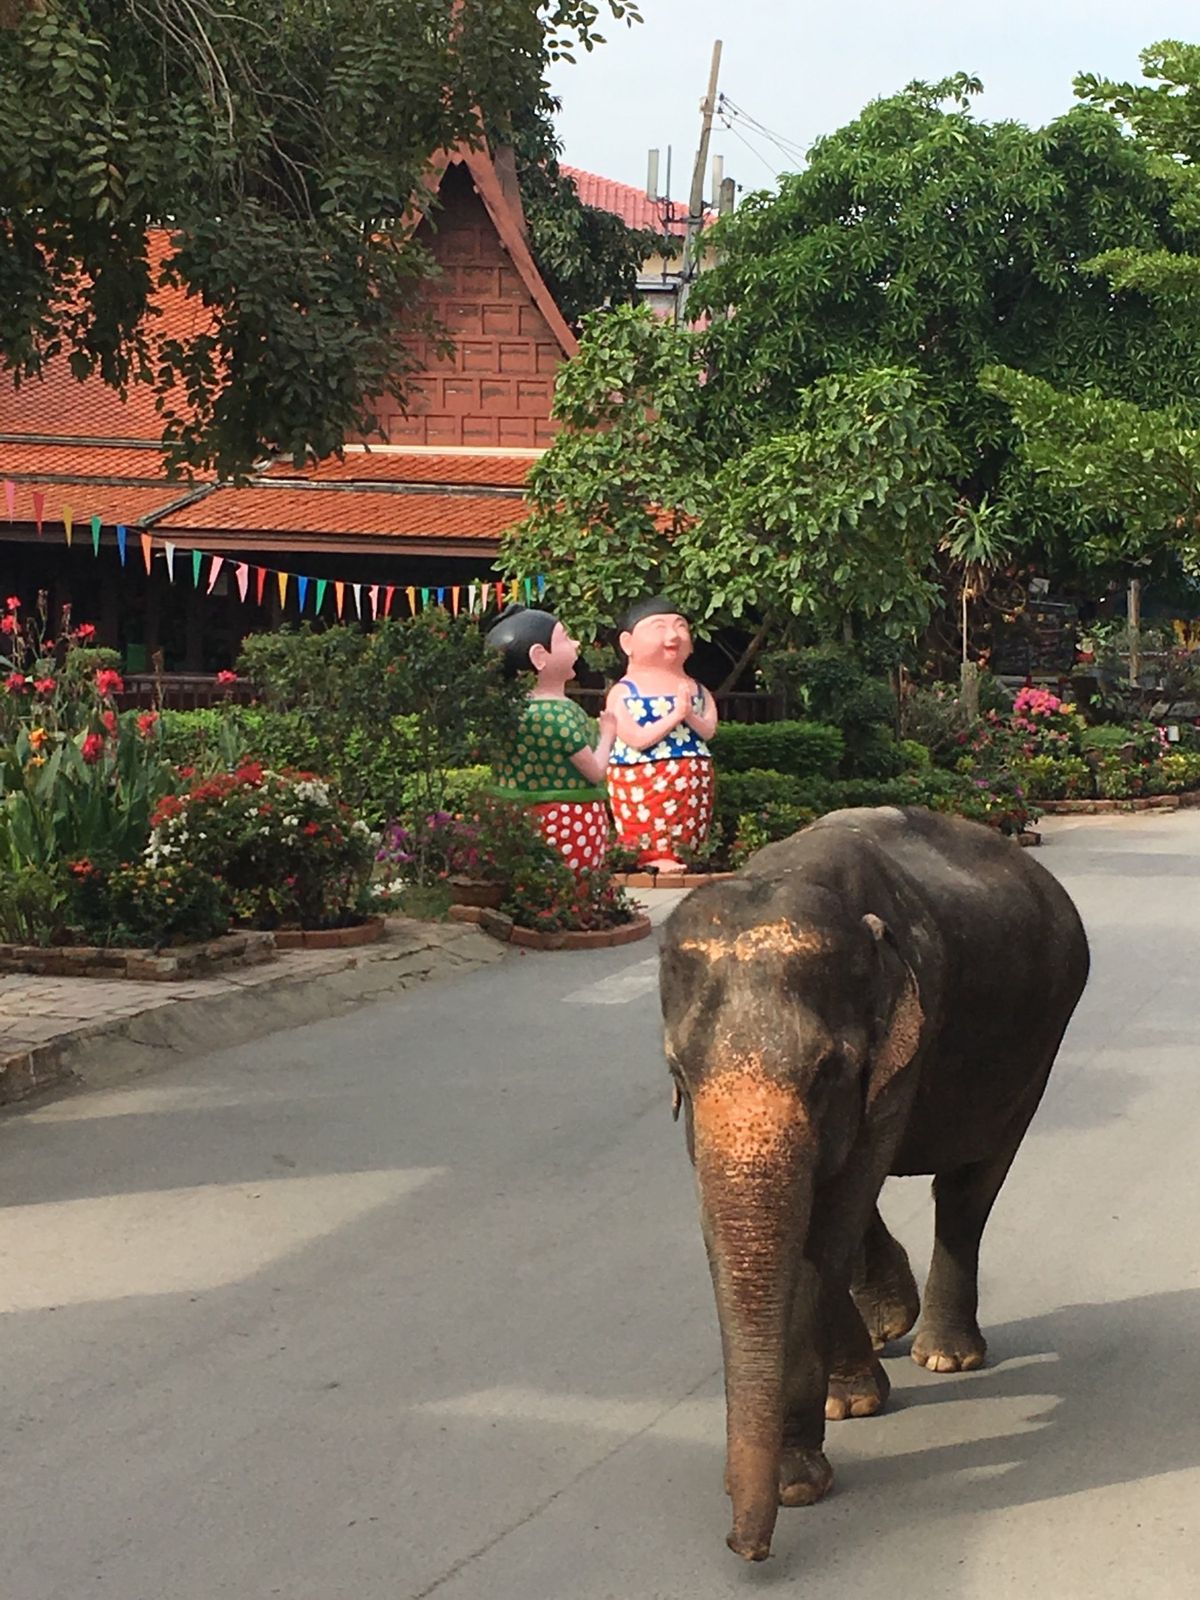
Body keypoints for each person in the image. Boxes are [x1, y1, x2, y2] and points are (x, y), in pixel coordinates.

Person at [486, 605, 617, 875]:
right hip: (570, 820)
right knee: (570, 885)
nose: (576, 643)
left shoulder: (505, 711)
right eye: (565, 638)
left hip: (511, 816)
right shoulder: (559, 715)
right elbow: (594, 772)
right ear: (539, 657)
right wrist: (608, 735)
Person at [605, 596, 718, 872]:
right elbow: (636, 738)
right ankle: (649, 857)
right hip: (641, 773)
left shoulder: (697, 689)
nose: (672, 636)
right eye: (659, 628)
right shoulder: (624, 691)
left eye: (680, 627)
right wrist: (674, 716)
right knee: (648, 819)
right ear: (627, 644)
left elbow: (708, 730)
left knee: (687, 818)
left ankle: (687, 853)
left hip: (693, 774)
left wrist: (689, 714)